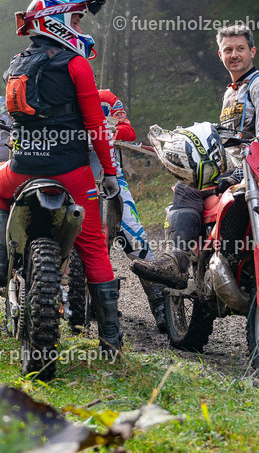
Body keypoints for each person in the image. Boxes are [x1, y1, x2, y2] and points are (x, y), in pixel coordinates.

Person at [0, 0, 124, 355]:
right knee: (94, 246)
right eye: (76, 20)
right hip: (71, 172)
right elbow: (95, 124)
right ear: (56, 21)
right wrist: (109, 171)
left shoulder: (17, 63)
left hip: (23, 168)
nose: (80, 28)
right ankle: (111, 340)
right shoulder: (76, 64)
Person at [131, 24, 259, 289]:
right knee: (187, 186)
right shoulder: (231, 92)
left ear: (252, 51)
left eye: (240, 48)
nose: (234, 55)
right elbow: (228, 140)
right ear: (220, 55)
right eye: (228, 50)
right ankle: (182, 262)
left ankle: (178, 261)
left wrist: (242, 171)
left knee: (187, 190)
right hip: (239, 168)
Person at [94, 88, 166, 333]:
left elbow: (129, 131)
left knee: (135, 237)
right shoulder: (57, 98)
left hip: (112, 179)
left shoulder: (105, 99)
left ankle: (161, 303)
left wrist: (103, 130)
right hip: (74, 175)